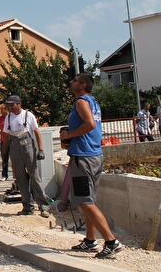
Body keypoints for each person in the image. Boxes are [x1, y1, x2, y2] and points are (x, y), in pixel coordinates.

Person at [61, 73, 123, 258]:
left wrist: (69, 135)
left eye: (75, 80)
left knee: (84, 201)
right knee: (89, 200)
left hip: (84, 156)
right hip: (94, 155)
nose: (71, 82)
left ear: (82, 85)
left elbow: (89, 125)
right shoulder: (93, 101)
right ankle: (90, 240)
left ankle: (111, 241)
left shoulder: (80, 102)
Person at [2, 95, 50, 218]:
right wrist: (5, 154)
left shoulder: (28, 116)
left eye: (12, 104)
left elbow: (37, 132)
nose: (10, 107)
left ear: (19, 104)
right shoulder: (8, 118)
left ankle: (43, 206)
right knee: (21, 179)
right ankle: (27, 207)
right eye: (9, 105)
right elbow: (6, 137)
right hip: (15, 150)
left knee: (35, 177)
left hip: (28, 149)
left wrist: (41, 150)